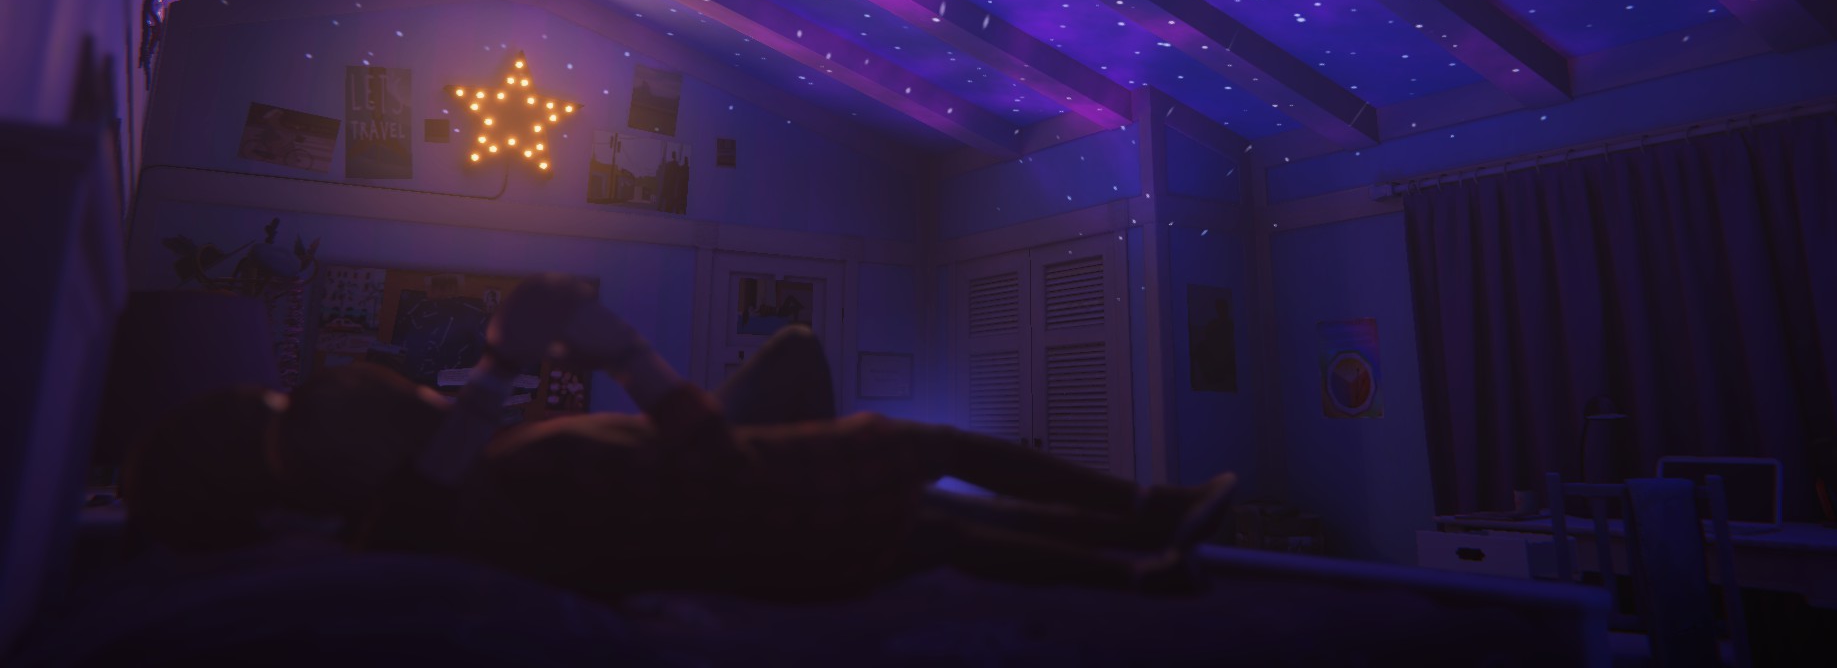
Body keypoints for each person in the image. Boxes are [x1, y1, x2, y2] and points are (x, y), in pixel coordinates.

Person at [271, 274, 1237, 601]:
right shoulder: (512, 481)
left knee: (938, 534)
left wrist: (505, 366)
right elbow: (712, 466)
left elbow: (435, 477)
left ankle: (1142, 571)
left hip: (765, 539)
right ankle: (1147, 514)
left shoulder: (439, 509)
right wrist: (627, 358)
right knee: (937, 454)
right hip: (765, 506)